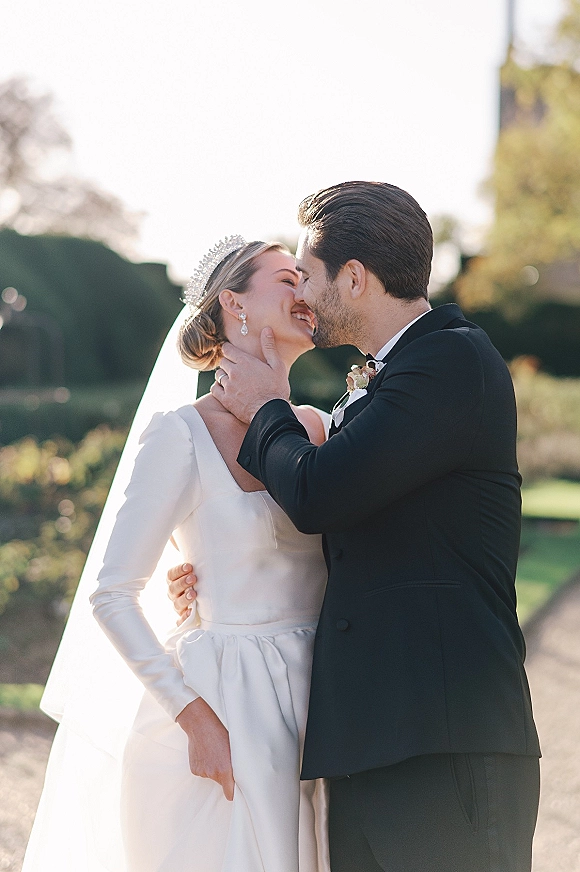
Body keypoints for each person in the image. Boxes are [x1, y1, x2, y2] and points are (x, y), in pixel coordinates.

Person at [169, 181, 541, 872]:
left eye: (307, 274)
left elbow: (320, 492)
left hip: (443, 740)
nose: (303, 293)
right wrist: (218, 566)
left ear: (356, 277)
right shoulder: (386, 378)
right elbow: (343, 528)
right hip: (370, 741)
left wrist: (267, 407)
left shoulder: (451, 360)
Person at [23, 238, 332, 872]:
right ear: (233, 304)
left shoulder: (320, 430)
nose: (304, 292)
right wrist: (195, 720)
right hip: (224, 706)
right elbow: (110, 592)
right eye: (285, 279)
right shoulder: (180, 435)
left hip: (324, 698)